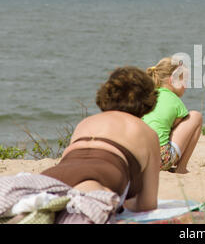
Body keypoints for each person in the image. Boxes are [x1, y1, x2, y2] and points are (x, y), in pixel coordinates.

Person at [38, 66, 161, 222]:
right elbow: (147, 204)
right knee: (82, 209)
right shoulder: (147, 131)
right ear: (149, 99)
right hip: (100, 176)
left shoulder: (86, 122)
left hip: (54, 175)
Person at [142, 57, 202, 174]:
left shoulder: (148, 96)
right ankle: (181, 168)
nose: (186, 86)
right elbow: (177, 129)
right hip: (161, 159)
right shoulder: (175, 101)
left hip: (141, 157)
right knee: (196, 116)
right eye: (184, 81)